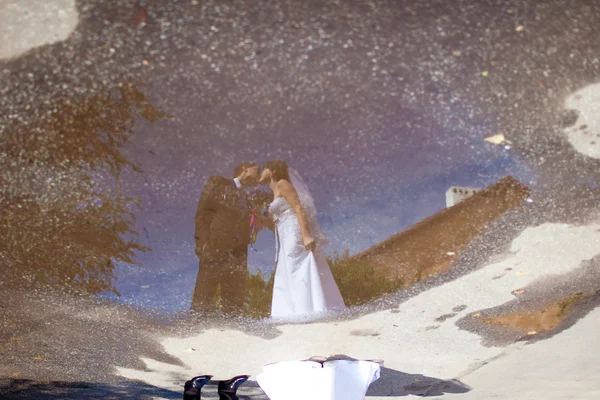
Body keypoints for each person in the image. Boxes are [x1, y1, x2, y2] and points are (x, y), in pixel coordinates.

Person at [258, 160, 346, 319]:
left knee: (297, 267)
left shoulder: (282, 183)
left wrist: (305, 235)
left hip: (294, 232)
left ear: (272, 171)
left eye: (263, 168)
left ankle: (308, 310)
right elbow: (276, 227)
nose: (260, 172)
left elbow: (298, 207)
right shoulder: (273, 194)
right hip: (285, 236)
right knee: (288, 270)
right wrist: (262, 220)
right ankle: (294, 313)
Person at [192, 162, 261, 314]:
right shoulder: (218, 182)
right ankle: (196, 329)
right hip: (215, 246)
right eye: (257, 171)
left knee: (234, 301)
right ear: (245, 168)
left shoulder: (248, 199)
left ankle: (233, 331)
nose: (259, 176)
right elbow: (203, 212)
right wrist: (201, 241)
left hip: (238, 254)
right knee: (204, 295)